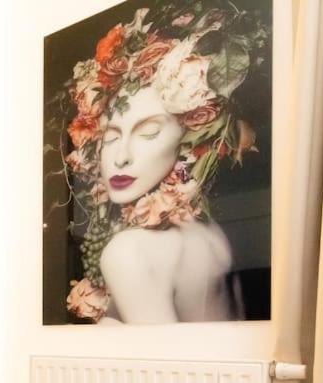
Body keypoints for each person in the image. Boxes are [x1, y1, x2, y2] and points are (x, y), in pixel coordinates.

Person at [59, 3, 268, 324]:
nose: (122, 155)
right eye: (112, 136)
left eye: (149, 132)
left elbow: (163, 371)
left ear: (189, 135)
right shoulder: (209, 236)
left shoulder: (130, 252)